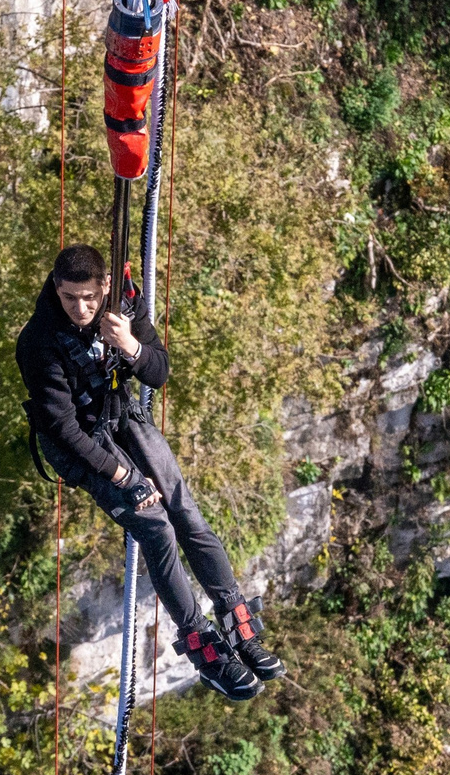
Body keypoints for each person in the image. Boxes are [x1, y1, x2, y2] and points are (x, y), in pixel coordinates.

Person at [17, 243, 283, 700]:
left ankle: (236, 619)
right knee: (157, 529)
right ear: (56, 290)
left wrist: (132, 345)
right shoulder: (39, 342)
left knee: (186, 512)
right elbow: (64, 432)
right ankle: (204, 647)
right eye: (68, 298)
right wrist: (125, 479)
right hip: (81, 444)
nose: (79, 309)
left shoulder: (124, 300)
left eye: (88, 298)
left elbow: (158, 372)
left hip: (119, 415)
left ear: (105, 287)